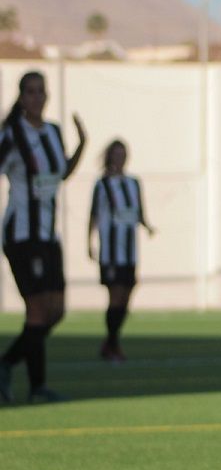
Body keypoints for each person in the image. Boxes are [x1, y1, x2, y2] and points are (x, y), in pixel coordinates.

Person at [0, 70, 86, 403]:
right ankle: (37, 387)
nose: (37, 97)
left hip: (49, 236)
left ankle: (7, 364)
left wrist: (82, 145)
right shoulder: (12, 134)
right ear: (21, 98)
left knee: (56, 311)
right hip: (22, 235)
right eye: (31, 92)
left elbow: (61, 173)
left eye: (41, 91)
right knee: (37, 312)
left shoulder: (52, 131)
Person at [88, 139, 155, 363]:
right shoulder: (102, 185)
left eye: (123, 153)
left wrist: (147, 226)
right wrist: (89, 243)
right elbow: (94, 215)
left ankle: (110, 342)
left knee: (126, 297)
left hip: (130, 251)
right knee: (115, 297)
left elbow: (139, 212)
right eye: (117, 154)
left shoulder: (133, 183)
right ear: (109, 156)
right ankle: (112, 344)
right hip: (111, 251)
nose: (120, 158)